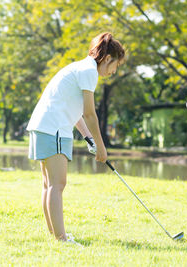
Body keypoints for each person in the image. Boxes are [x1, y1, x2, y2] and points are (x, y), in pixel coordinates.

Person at [27, 32, 125, 243]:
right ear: (107, 59)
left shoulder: (81, 68)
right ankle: (61, 238)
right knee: (57, 184)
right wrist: (101, 146)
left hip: (44, 125)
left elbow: (78, 113)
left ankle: (55, 235)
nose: (114, 71)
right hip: (53, 127)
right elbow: (90, 113)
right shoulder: (89, 71)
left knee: (49, 184)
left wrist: (89, 138)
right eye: (115, 66)